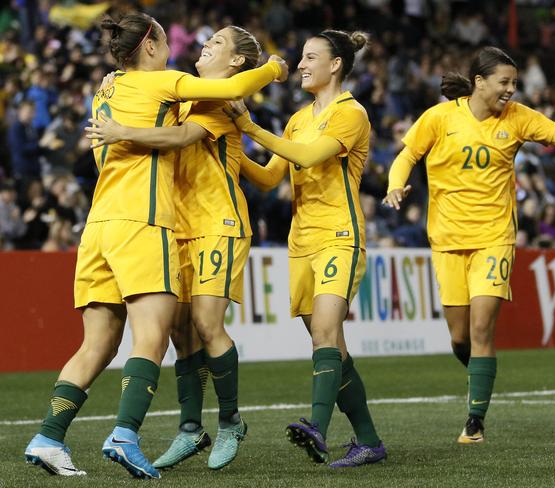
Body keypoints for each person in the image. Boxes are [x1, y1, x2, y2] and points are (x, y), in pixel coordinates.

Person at [24, 12, 286, 479]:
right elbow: (200, 112)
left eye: (215, 42)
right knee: (157, 335)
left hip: (110, 224)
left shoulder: (112, 89)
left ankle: (50, 436)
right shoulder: (169, 87)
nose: (196, 45)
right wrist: (274, 69)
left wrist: (266, 135)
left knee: (109, 341)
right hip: (145, 223)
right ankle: (131, 434)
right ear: (149, 47)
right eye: (167, 39)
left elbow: (198, 134)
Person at [383, 46, 555, 444]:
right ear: (479, 82)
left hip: (494, 237)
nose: (511, 90)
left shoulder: (519, 118)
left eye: (515, 84)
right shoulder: (440, 117)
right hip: (448, 240)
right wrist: (395, 184)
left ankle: (475, 421)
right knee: (459, 337)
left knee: (482, 325)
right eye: (504, 82)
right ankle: (479, 376)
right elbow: (406, 155)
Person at [84, 25, 270, 472]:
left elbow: (181, 139)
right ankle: (190, 428)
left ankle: (230, 422)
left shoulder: (216, 101)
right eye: (206, 40)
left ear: (238, 63)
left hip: (217, 223)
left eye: (217, 43)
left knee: (207, 322)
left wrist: (121, 129)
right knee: (180, 333)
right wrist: (115, 79)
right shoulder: (181, 94)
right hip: (176, 225)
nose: (205, 44)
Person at [225, 30, 387, 467]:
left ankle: (317, 425)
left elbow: (310, 157)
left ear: (336, 65)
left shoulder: (350, 113)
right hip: (301, 243)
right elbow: (268, 177)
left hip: (339, 235)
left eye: (310, 57)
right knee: (336, 347)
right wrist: (224, 147)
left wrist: (248, 125)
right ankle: (369, 440)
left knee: (324, 334)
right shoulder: (297, 119)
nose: (300, 64)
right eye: (301, 57)